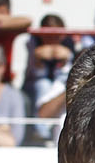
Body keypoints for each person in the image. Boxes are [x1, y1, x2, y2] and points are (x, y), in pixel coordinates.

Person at [24, 13, 73, 143]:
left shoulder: (69, 43)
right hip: (34, 86)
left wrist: (64, 58)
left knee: (61, 87)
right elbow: (37, 70)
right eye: (48, 34)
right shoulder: (33, 42)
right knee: (43, 84)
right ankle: (41, 133)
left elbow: (64, 73)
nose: (52, 38)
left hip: (58, 85)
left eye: (56, 35)